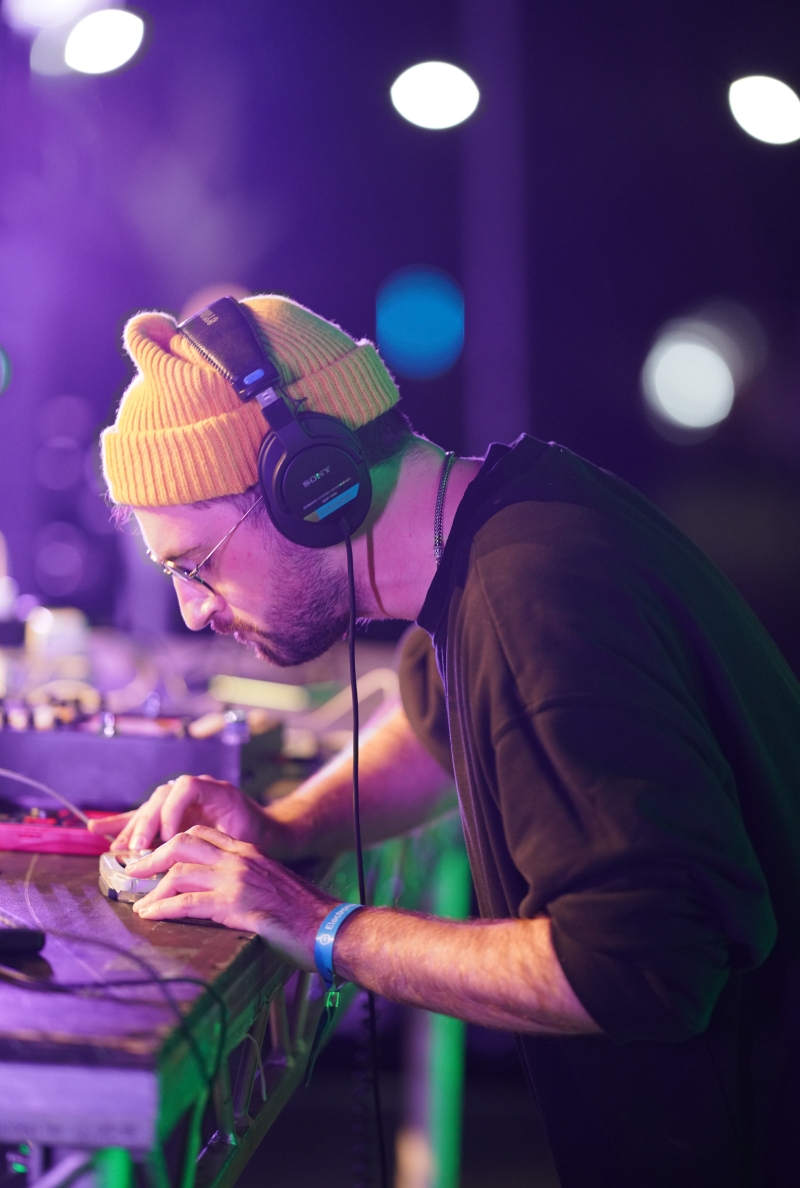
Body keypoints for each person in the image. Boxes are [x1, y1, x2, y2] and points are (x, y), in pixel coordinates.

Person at [91, 295, 800, 1188]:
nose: (194, 611)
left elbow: (637, 965)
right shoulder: (516, 517)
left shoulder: (534, 600)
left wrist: (314, 924)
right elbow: (433, 721)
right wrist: (285, 826)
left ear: (310, 488)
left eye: (196, 565)